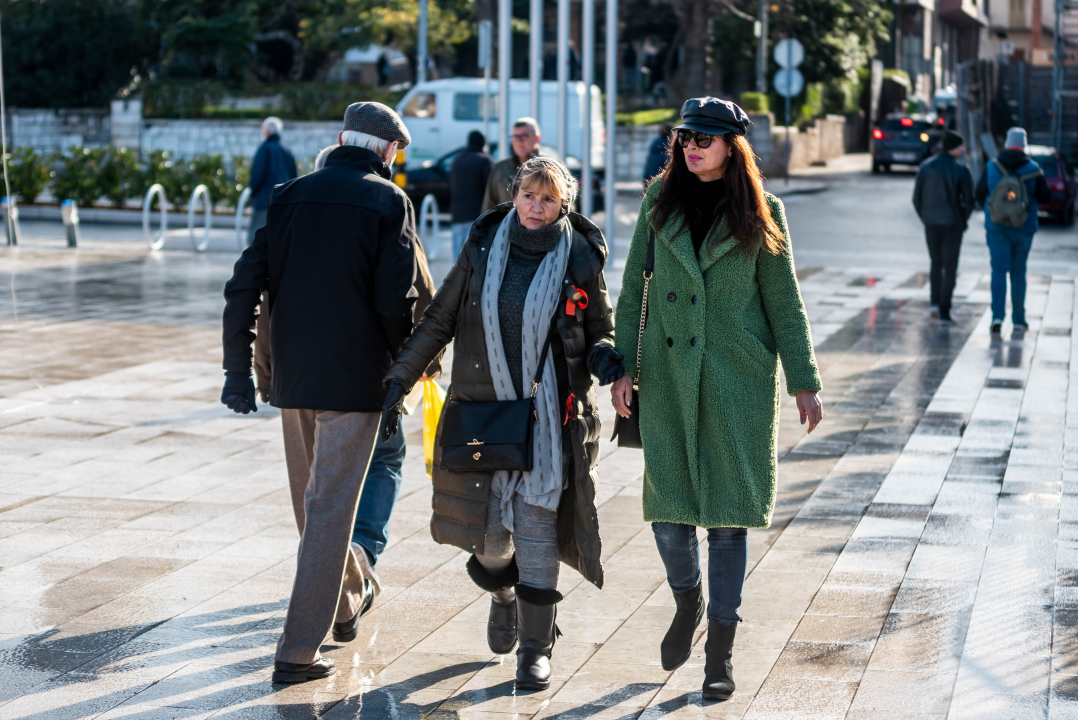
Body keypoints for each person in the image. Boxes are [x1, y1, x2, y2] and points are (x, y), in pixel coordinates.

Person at [381, 157, 625, 691]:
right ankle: (504, 595)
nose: (537, 208)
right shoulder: (484, 245)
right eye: (530, 196)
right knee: (490, 539)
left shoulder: (579, 256)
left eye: (550, 200)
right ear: (513, 195)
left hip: (548, 419)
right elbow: (441, 318)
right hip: (483, 410)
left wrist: (611, 366)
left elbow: (600, 329)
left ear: (564, 205)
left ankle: (536, 650)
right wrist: (398, 380)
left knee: (537, 525)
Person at [610, 97, 823, 702]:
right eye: (685, 136)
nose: (692, 146)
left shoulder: (762, 210)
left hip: (737, 380)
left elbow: (784, 305)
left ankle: (720, 651)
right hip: (671, 375)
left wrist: (803, 380)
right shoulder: (659, 203)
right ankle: (687, 598)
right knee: (670, 510)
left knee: (730, 519)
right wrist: (624, 367)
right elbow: (632, 293)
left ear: (733, 145)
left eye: (706, 137)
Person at [221, 102, 417, 684]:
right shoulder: (389, 202)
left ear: (339, 140)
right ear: (386, 152)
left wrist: (237, 371)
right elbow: (396, 302)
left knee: (314, 510)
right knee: (328, 512)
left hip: (293, 379)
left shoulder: (288, 196)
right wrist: (399, 378)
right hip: (356, 382)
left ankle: (349, 593)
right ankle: (297, 652)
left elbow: (242, 287)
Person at [251, 142, 442, 600]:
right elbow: (417, 292)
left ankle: (338, 576)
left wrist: (263, 374)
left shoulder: (295, 221)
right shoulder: (386, 210)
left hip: (300, 379)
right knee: (383, 458)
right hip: (371, 378)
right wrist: (424, 362)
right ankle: (358, 555)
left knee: (318, 483)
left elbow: (265, 308)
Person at [975, 127, 1052, 334]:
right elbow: (1046, 197)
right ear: (1024, 145)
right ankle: (1019, 319)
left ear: (1007, 144)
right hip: (1024, 228)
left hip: (997, 227)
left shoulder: (992, 166)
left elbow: (979, 193)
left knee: (998, 271)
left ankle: (997, 318)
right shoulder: (1034, 168)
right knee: (1019, 273)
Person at [912, 129, 974, 325]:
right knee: (950, 267)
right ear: (954, 147)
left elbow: (916, 199)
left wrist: (926, 217)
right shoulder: (961, 170)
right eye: (961, 145)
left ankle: (934, 304)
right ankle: (945, 311)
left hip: (931, 223)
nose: (964, 149)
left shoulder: (926, 167)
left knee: (935, 263)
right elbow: (970, 200)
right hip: (952, 224)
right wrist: (963, 220)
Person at [247, 117, 298, 245]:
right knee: (277, 237)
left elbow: (257, 174)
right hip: (283, 201)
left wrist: (253, 193)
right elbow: (294, 176)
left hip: (264, 200)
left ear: (266, 131)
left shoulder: (265, 149)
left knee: (255, 235)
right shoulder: (287, 151)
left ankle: (252, 264)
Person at [481, 117, 543, 212]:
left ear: (537, 138)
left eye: (524, 136)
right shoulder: (500, 168)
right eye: (515, 137)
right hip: (506, 225)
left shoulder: (552, 167)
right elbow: (488, 207)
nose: (519, 141)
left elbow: (566, 207)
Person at [450, 131, 494, 257]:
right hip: (476, 215)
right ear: (483, 144)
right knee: (472, 260)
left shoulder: (457, 159)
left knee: (457, 260)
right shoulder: (484, 160)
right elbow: (490, 187)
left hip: (457, 215)